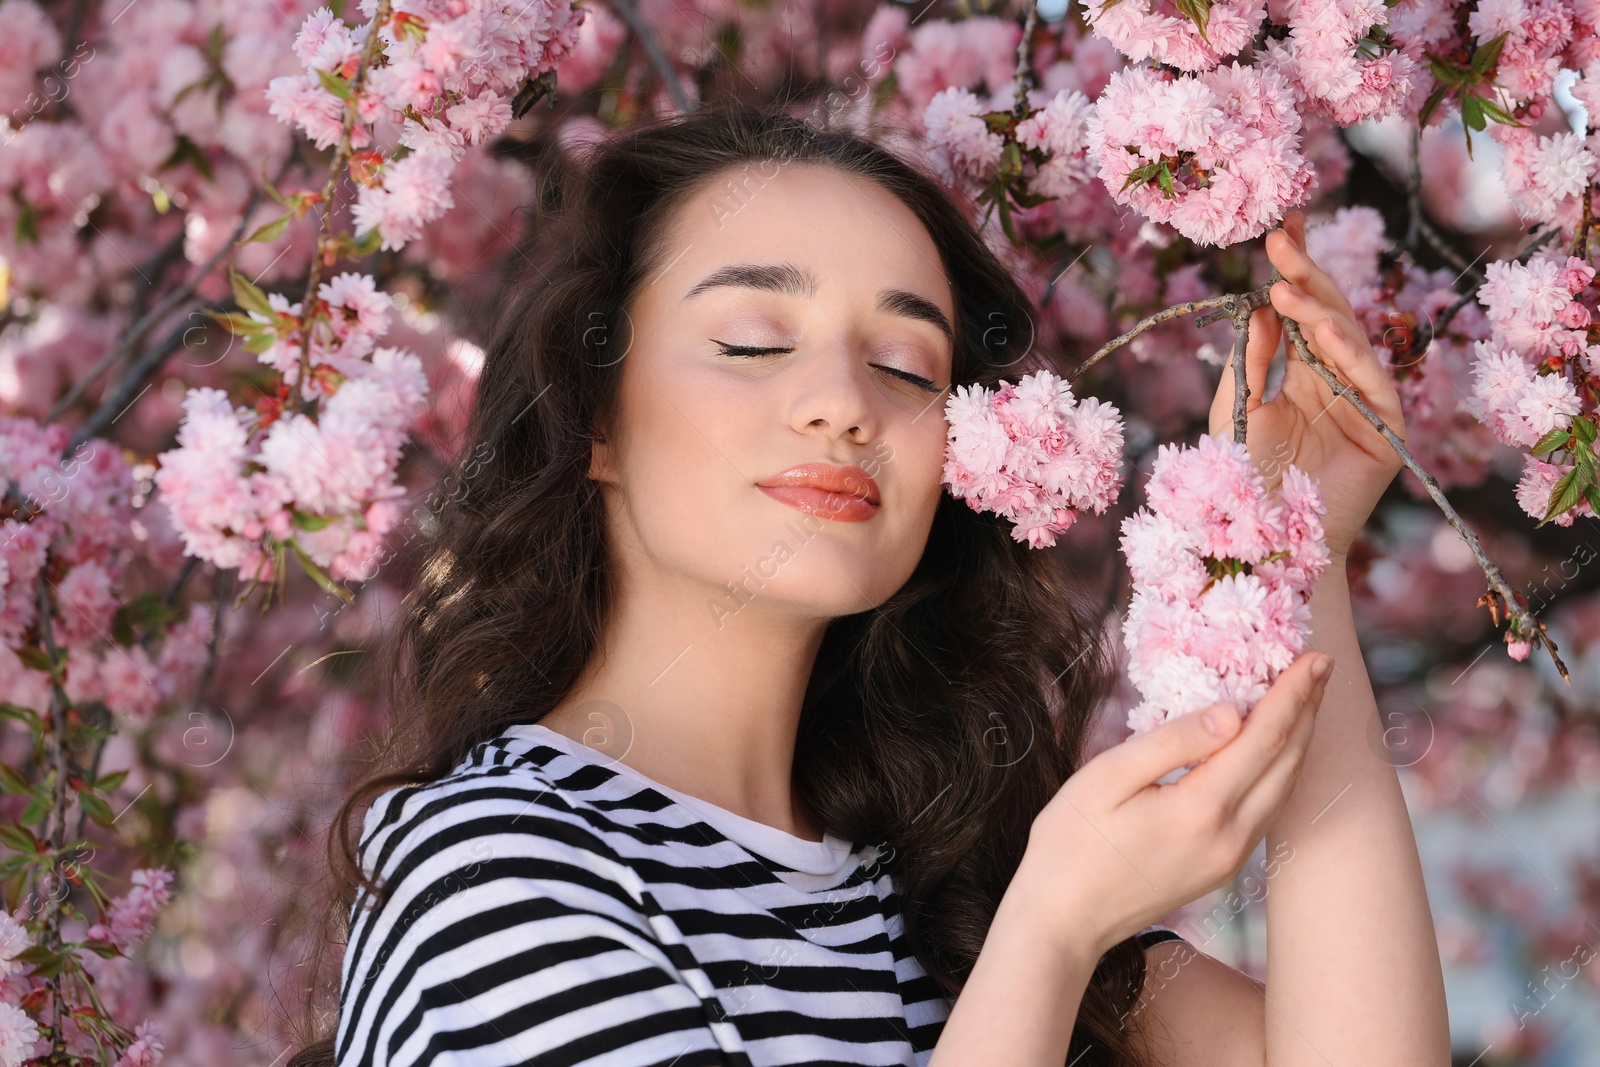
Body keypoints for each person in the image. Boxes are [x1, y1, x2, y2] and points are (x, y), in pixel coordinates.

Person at [290, 103, 1449, 1067]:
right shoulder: (493, 873)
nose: (844, 399)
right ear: (596, 412)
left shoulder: (939, 880)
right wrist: (1049, 935)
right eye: (752, 340)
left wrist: (1295, 547)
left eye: (904, 364)